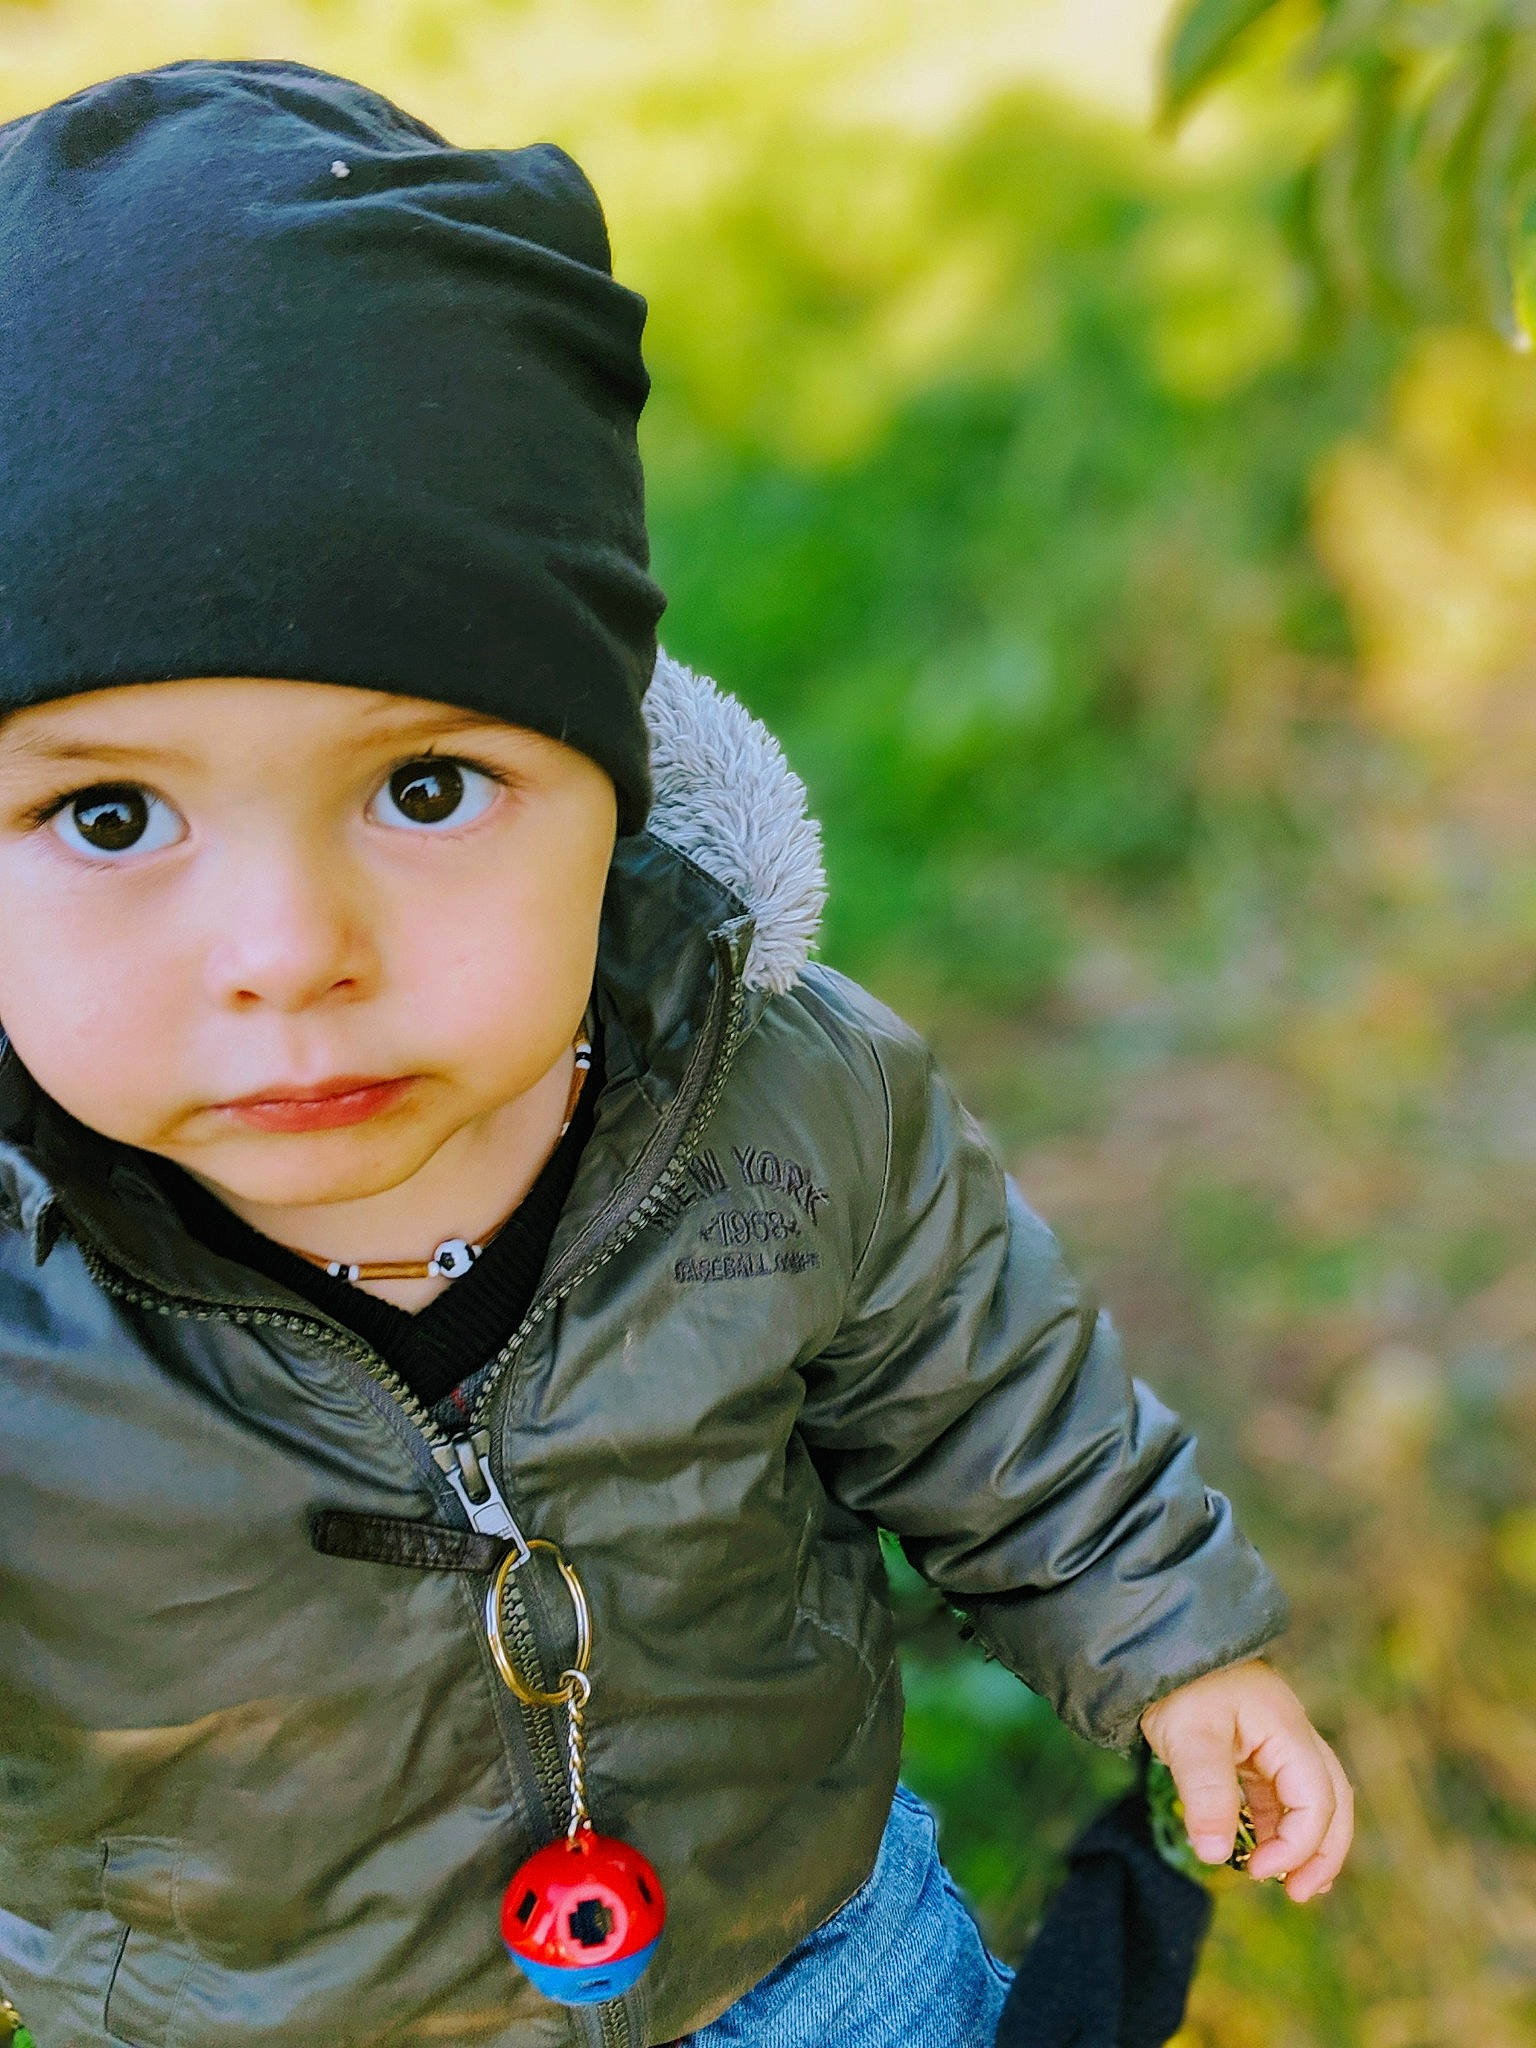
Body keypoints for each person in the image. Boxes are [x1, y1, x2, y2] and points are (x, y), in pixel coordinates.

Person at [0, 56, 1352, 2048]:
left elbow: (985, 1395)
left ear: (617, 780)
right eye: (112, 816)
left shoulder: (779, 1100)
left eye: (431, 783)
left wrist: (1167, 1641)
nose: (289, 952)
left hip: (809, 1944)